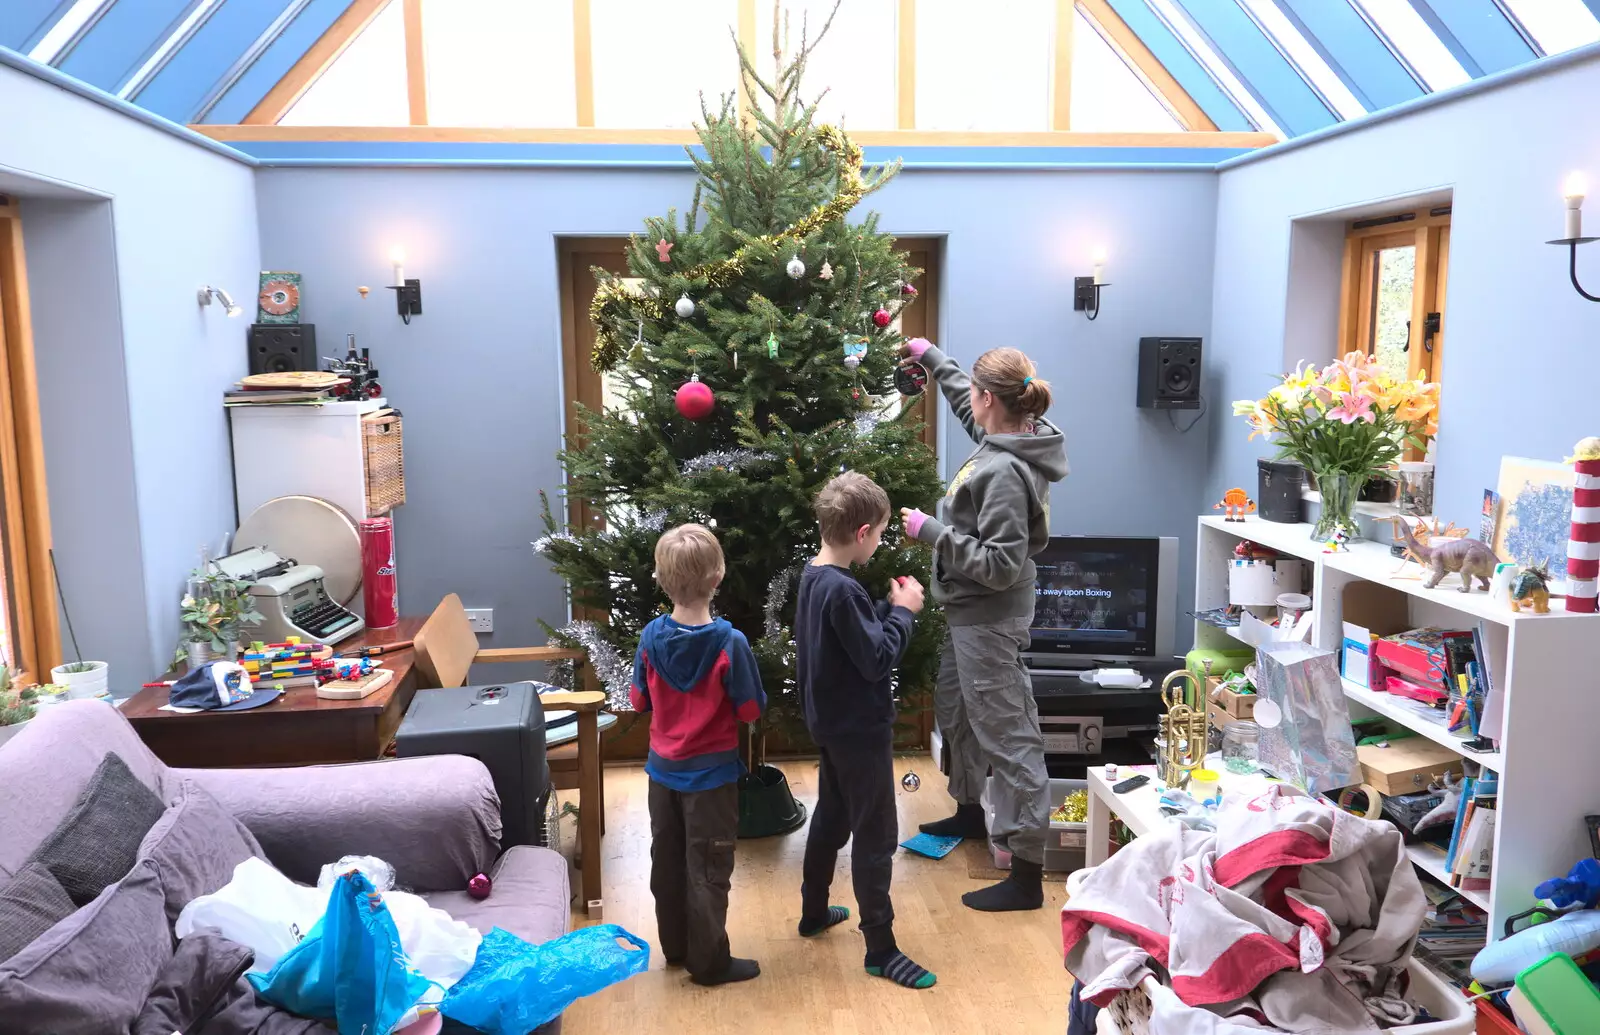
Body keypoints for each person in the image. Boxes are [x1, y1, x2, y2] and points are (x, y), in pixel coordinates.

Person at [900, 338, 1069, 912]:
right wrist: (931, 357)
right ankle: (971, 813)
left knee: (1009, 735)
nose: (965, 402)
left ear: (990, 400)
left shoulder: (1002, 471)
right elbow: (959, 397)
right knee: (957, 711)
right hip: (965, 611)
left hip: (988, 617)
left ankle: (1025, 874)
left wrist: (930, 531)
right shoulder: (1003, 436)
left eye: (972, 394)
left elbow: (999, 565)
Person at [794, 472, 936, 989]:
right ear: (861, 532)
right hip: (860, 730)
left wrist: (880, 609)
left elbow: (846, 641)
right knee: (876, 835)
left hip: (830, 725)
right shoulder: (842, 590)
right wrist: (903, 612)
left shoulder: (816, 576)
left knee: (831, 818)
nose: (879, 542)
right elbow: (876, 658)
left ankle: (813, 912)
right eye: (877, 533)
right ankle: (881, 947)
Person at [629, 523, 767, 985]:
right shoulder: (731, 644)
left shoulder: (649, 638)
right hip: (711, 781)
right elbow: (749, 709)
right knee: (709, 867)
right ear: (717, 578)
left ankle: (676, 947)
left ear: (661, 579)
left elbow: (637, 702)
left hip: (662, 775)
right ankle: (708, 963)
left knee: (666, 859)